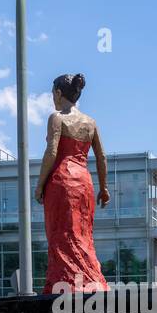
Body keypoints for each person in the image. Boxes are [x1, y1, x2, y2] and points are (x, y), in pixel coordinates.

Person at [36, 73, 111, 294]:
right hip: (84, 182)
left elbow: (51, 152)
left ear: (59, 93)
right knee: (82, 234)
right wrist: (104, 187)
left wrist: (39, 185)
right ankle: (91, 281)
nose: (52, 98)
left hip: (62, 181)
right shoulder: (90, 122)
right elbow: (101, 157)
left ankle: (66, 284)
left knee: (61, 234)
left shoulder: (56, 118)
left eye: (53, 94)